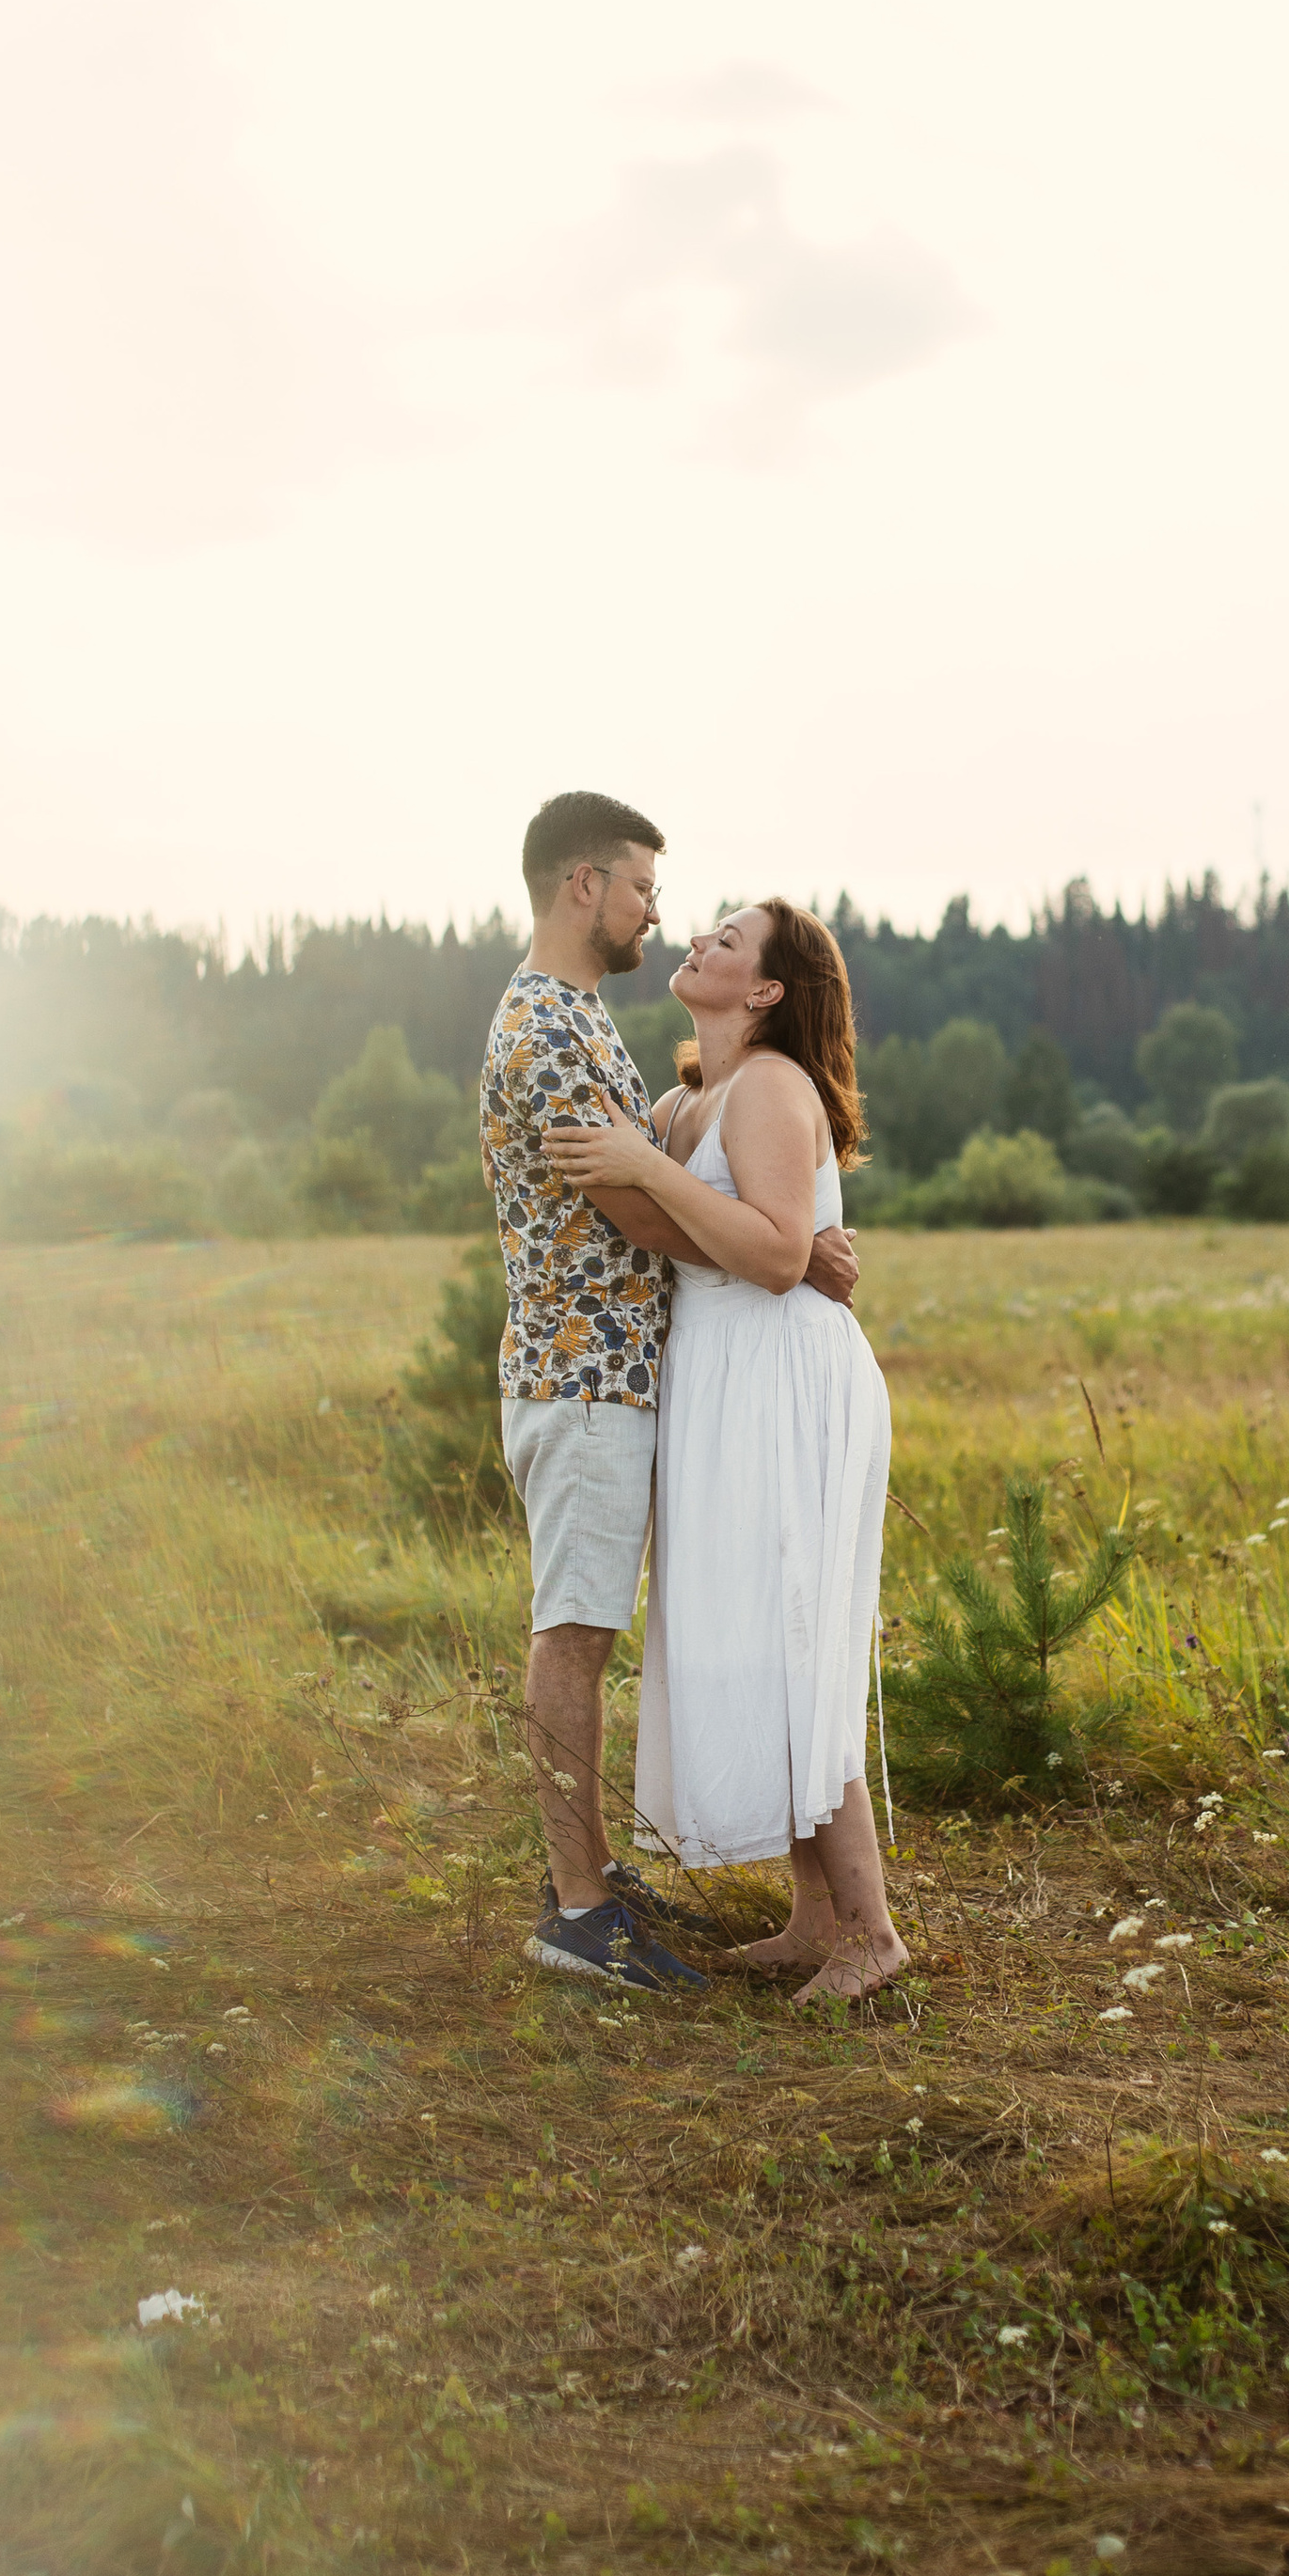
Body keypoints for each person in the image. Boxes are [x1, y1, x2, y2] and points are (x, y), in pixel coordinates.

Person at [481, 793, 861, 1996]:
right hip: (581, 1376)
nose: (660, 912)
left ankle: (593, 1877)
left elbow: (675, 1180)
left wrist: (791, 1242)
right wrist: (785, 1253)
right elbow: (635, 1213)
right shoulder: (546, 1033)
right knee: (576, 1630)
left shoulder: (584, 1019)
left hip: (621, 1377)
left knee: (601, 1626)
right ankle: (580, 1910)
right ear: (584, 884)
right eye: (644, 887)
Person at [542, 898, 906, 2003]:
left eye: (728, 941)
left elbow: (778, 1256)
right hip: (719, 1380)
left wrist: (646, 1169)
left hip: (784, 1379)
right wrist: (639, 1166)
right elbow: (675, 1233)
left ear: (765, 991)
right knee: (751, 1636)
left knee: (791, 1644)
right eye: (705, 930)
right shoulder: (681, 1101)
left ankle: (872, 1933)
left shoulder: (771, 1086)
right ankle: (811, 1918)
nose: (698, 940)